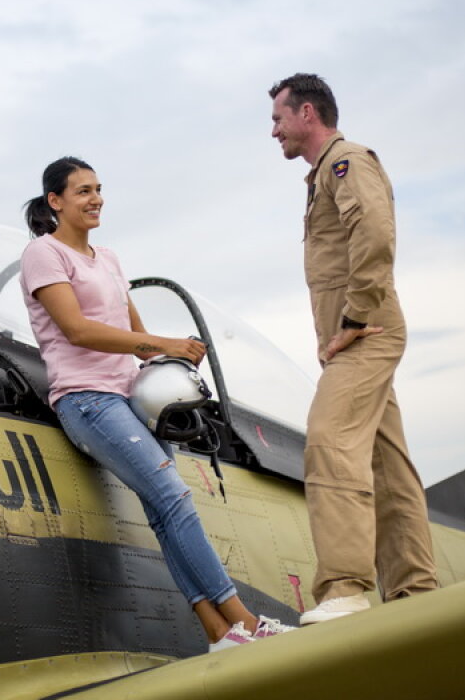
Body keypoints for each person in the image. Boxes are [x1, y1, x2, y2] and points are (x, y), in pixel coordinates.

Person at [20, 156, 293, 650]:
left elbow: (137, 337)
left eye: (98, 188)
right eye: (82, 191)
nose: (95, 198)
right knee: (174, 499)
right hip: (87, 399)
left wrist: (172, 357)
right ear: (55, 201)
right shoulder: (43, 254)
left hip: (131, 400)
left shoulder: (109, 258)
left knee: (164, 509)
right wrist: (166, 344)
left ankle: (218, 633)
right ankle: (245, 622)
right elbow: (77, 330)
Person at [268, 74, 439, 624]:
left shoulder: (347, 163)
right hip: (355, 335)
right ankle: (416, 591)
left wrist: (356, 316)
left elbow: (377, 235)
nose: (273, 131)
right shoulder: (323, 177)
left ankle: (344, 585)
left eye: (278, 119)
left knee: (329, 437)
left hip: (365, 334)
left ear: (308, 113)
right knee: (387, 467)